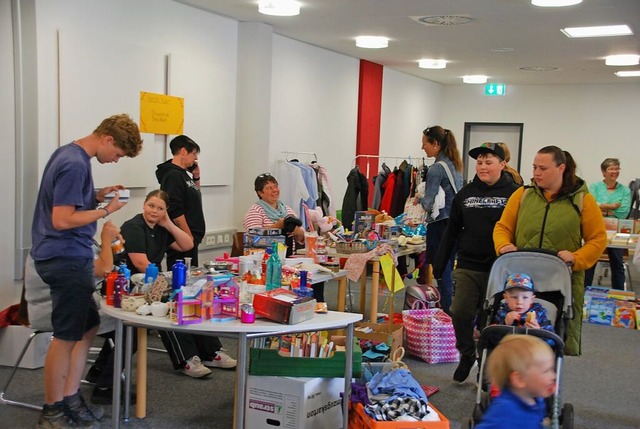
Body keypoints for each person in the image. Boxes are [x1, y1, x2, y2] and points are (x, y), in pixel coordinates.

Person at [30, 113, 142, 428]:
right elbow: (62, 219)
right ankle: (52, 410)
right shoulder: (75, 163)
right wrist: (107, 210)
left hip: (67, 255)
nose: (116, 160)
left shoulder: (70, 154)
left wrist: (97, 194)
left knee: (88, 325)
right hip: (64, 257)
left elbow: (67, 201)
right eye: (118, 154)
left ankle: (70, 397)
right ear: (107, 139)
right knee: (66, 336)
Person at [493, 145, 607, 356]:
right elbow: (502, 227)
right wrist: (503, 245)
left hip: (560, 281)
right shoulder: (522, 195)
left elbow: (598, 239)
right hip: (522, 281)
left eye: (543, 168)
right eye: (534, 167)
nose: (536, 173)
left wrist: (577, 257)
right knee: (512, 336)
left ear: (561, 168)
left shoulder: (582, 200)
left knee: (551, 340)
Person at [120, 190, 237, 377]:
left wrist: (167, 223)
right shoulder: (133, 227)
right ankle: (187, 359)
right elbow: (140, 264)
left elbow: (187, 244)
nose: (154, 211)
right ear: (143, 204)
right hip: (135, 285)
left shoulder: (160, 228)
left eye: (160, 208)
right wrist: (164, 284)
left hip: (155, 281)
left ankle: (211, 352)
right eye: (151, 206)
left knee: (192, 297)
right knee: (172, 303)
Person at [433, 142, 519, 383]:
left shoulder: (516, 193)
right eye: (479, 162)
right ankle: (467, 353)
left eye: (488, 162)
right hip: (469, 264)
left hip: (500, 268)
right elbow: (452, 230)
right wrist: (440, 264)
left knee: (489, 319)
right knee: (459, 312)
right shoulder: (466, 193)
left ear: (502, 164)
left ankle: (485, 362)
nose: (482, 167)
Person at [242, 174, 318, 297]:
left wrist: (297, 232)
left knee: (312, 281)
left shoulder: (286, 210)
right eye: (269, 188)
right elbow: (253, 236)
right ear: (260, 193)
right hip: (264, 265)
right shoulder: (255, 211)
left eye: (275, 186)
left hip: (287, 261)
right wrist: (278, 225)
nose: (274, 190)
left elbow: (302, 237)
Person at [418, 125, 463, 314]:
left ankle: (445, 313)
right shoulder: (454, 165)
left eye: (424, 144)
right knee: (448, 270)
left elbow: (428, 204)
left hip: (440, 225)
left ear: (436, 144)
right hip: (454, 224)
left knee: (441, 270)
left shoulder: (436, 169)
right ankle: (450, 310)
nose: (423, 148)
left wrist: (418, 198)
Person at [475, 335, 556, 429]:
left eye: (552, 369)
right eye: (546, 371)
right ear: (520, 379)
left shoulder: (534, 398)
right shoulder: (505, 413)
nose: (553, 376)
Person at [155, 135, 205, 269]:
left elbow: (196, 195)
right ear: (183, 151)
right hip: (183, 238)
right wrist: (187, 236)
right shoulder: (173, 175)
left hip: (191, 238)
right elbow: (175, 209)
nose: (196, 158)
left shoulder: (183, 174)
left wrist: (196, 176)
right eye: (194, 153)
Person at [584, 158, 631, 290]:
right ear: (603, 172)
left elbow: (623, 212)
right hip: (596, 229)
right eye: (611, 169)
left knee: (617, 263)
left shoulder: (625, 190)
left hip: (617, 232)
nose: (614, 171)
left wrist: (602, 208)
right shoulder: (594, 187)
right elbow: (591, 207)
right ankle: (584, 295)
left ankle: (619, 294)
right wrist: (611, 206)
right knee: (590, 262)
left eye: (617, 168)